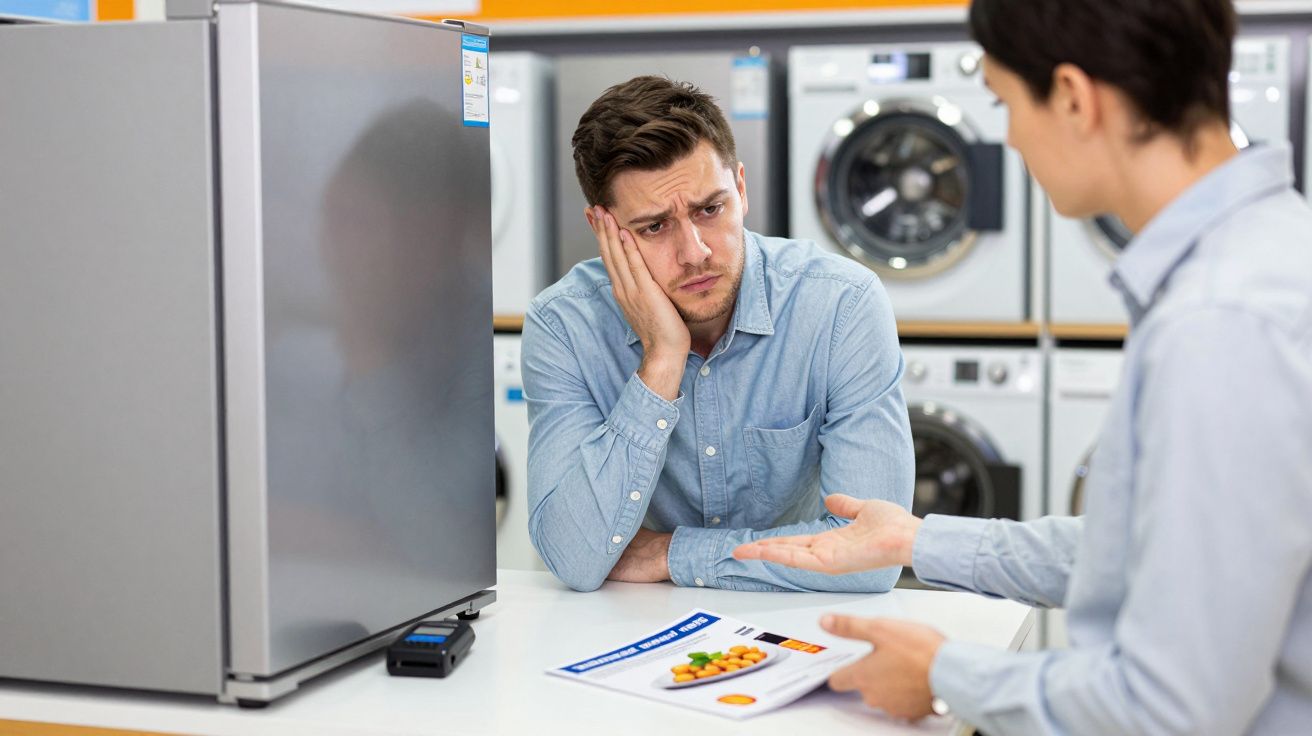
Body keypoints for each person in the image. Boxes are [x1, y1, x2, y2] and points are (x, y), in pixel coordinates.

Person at [734, 0, 1312, 732]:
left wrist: (945, 674)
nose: (1005, 139)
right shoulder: (1267, 258)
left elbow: (1170, 709)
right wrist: (916, 540)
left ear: (1073, 97)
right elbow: (1155, 549)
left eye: (1006, 104)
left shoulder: (1221, 326)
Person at [521, 76, 914, 593]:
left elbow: (872, 557)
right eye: (654, 227)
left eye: (711, 210)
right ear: (604, 229)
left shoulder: (841, 304)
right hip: (631, 633)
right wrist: (661, 360)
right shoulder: (563, 326)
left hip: (797, 623)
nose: (695, 252)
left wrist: (669, 553)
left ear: (742, 190)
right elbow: (573, 556)